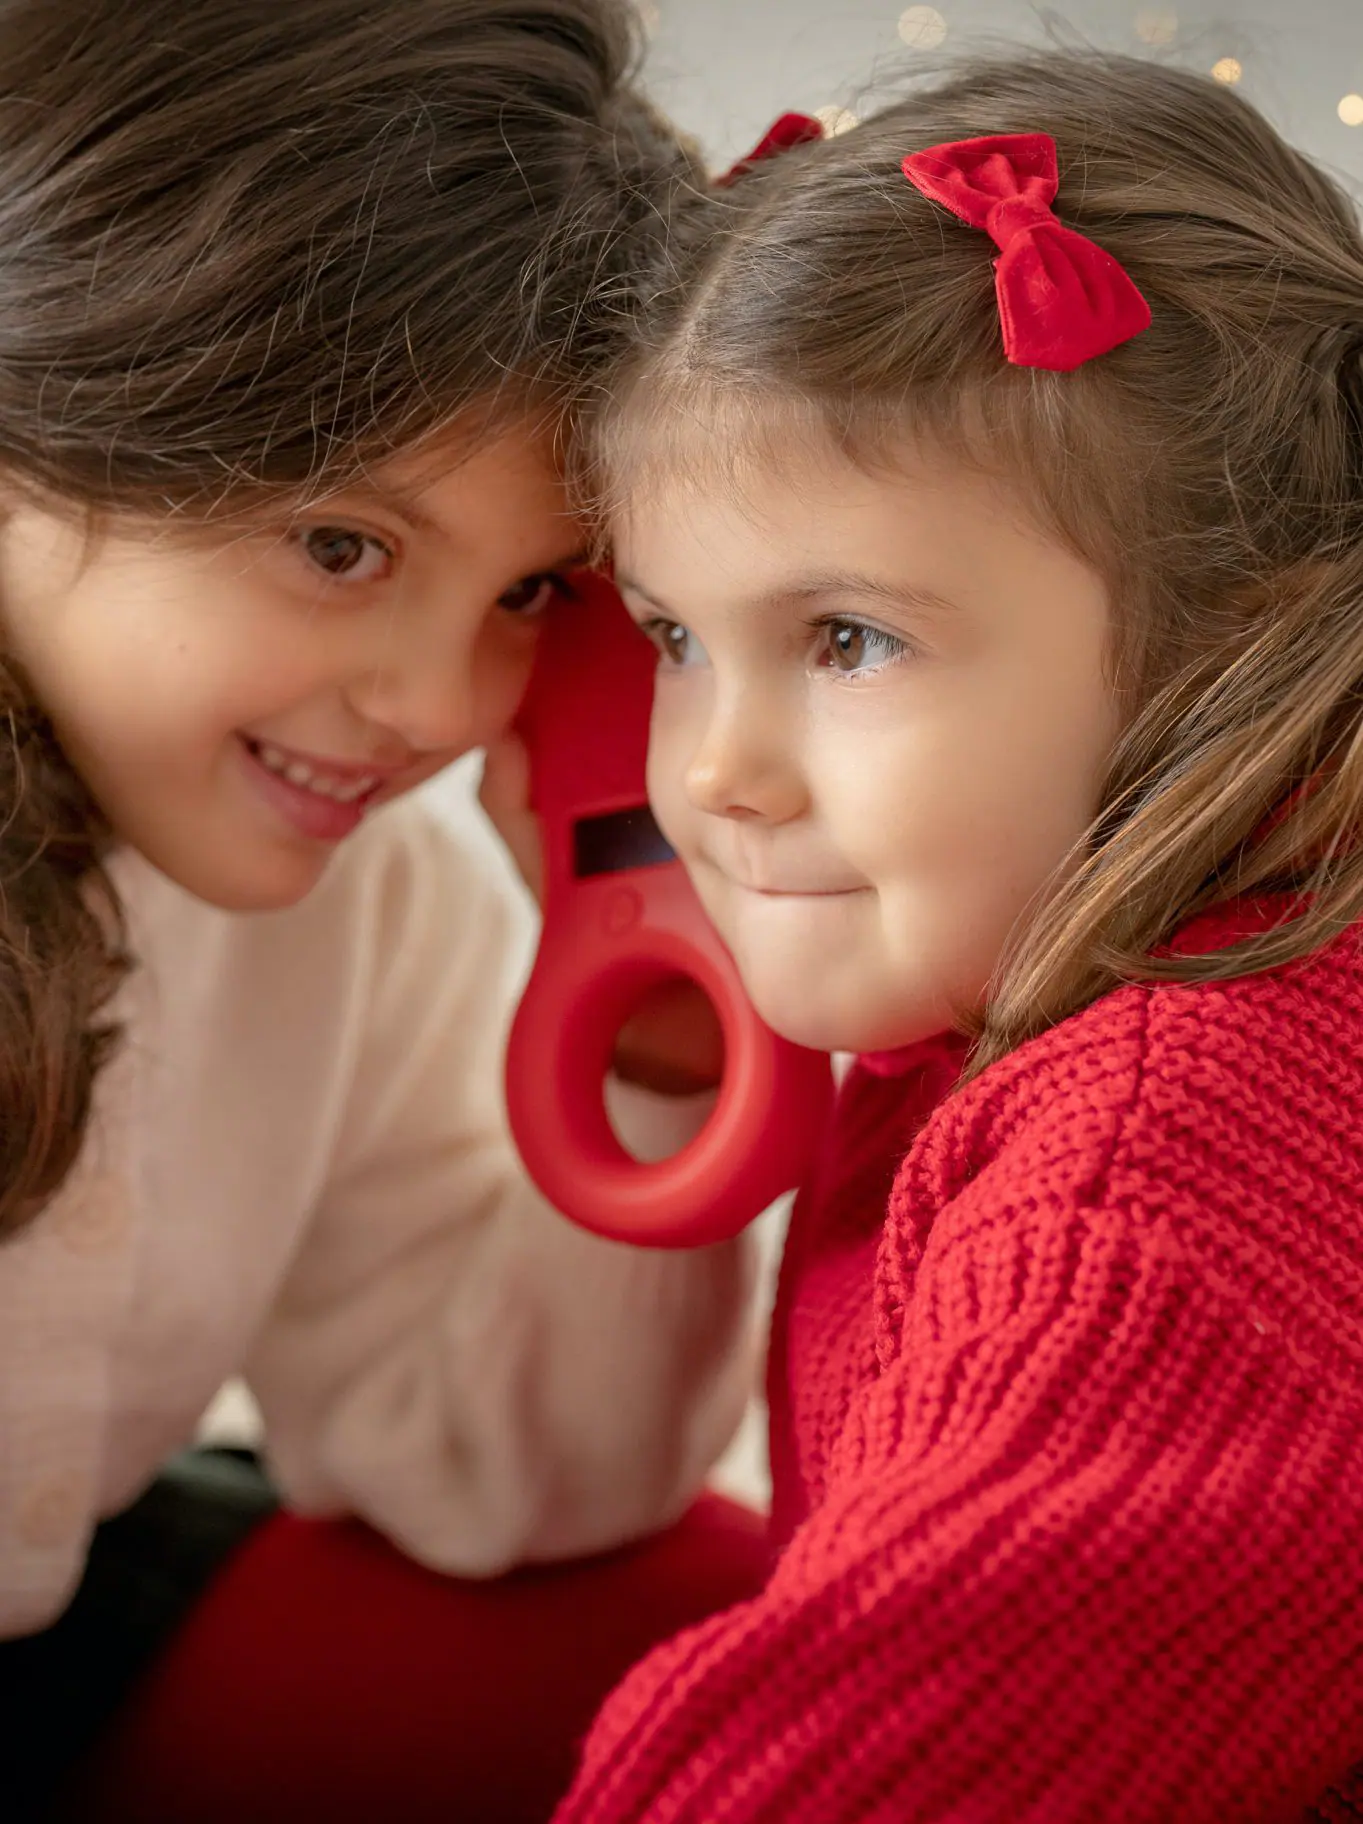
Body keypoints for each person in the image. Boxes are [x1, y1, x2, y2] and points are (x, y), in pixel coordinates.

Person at [554, 49, 1363, 1822]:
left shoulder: (1148, 1181)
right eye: (671, 638)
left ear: (1223, 652)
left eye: (847, 640)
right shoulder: (1142, 990)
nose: (715, 776)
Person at [0, 3, 767, 1818]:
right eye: (343, 546)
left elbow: (496, 1486)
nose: (439, 709)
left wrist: (651, 1030)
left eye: (528, 594)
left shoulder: (366, 894)